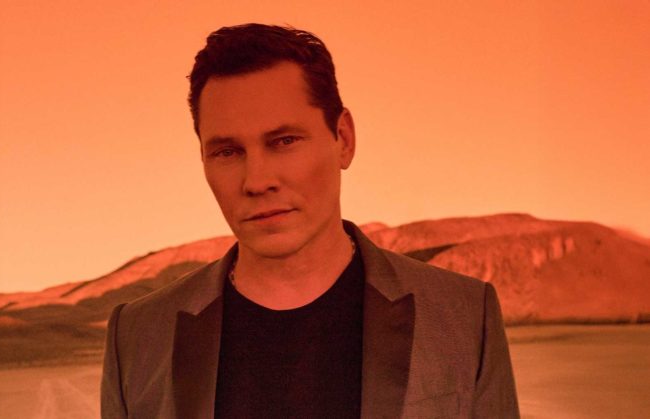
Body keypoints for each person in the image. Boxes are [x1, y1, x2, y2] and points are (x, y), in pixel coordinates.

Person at [101, 23, 519, 419]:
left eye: (284, 141)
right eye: (227, 152)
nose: (257, 181)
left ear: (344, 140)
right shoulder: (136, 337)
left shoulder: (463, 316)